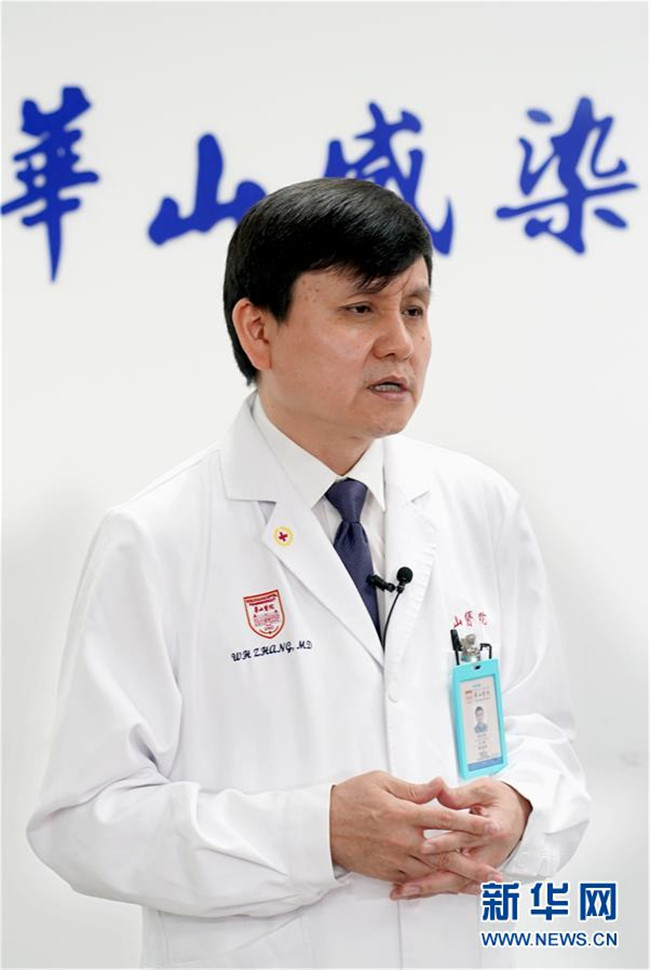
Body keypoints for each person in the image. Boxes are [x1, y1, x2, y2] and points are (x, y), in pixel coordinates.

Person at [27, 178, 590, 969]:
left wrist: (519, 807)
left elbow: (541, 734)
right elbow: (86, 820)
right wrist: (316, 833)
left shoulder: (479, 505)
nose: (399, 343)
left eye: (415, 309)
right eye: (361, 309)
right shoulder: (156, 538)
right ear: (258, 331)